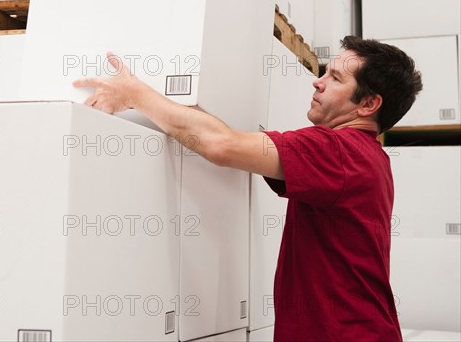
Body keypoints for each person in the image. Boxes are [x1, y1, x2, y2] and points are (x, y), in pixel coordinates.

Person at [73, 36, 423, 342]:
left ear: (368, 104)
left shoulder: (339, 151)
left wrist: (135, 92)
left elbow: (220, 146)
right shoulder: (366, 157)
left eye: (335, 78)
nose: (318, 82)